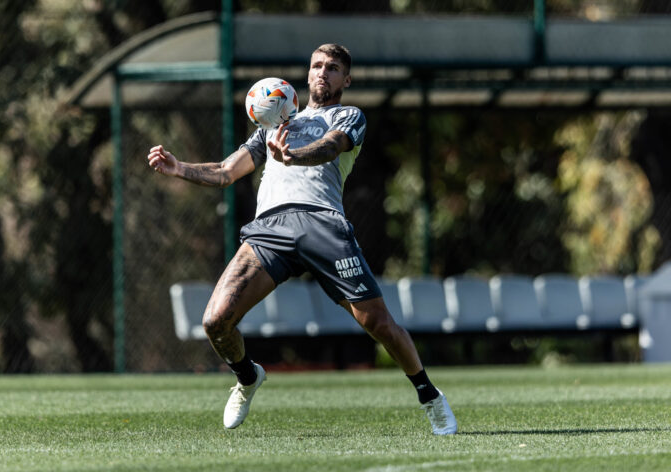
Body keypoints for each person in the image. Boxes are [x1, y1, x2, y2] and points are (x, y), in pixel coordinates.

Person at [147, 44, 457, 435]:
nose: (322, 73)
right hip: (271, 228)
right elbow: (226, 171)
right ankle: (247, 377)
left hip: (322, 225)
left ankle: (429, 395)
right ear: (306, 74)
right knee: (215, 321)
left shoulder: (348, 116)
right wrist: (180, 169)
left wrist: (294, 155)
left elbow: (330, 147)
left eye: (333, 68)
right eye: (316, 66)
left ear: (347, 79)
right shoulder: (275, 123)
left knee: (377, 322)